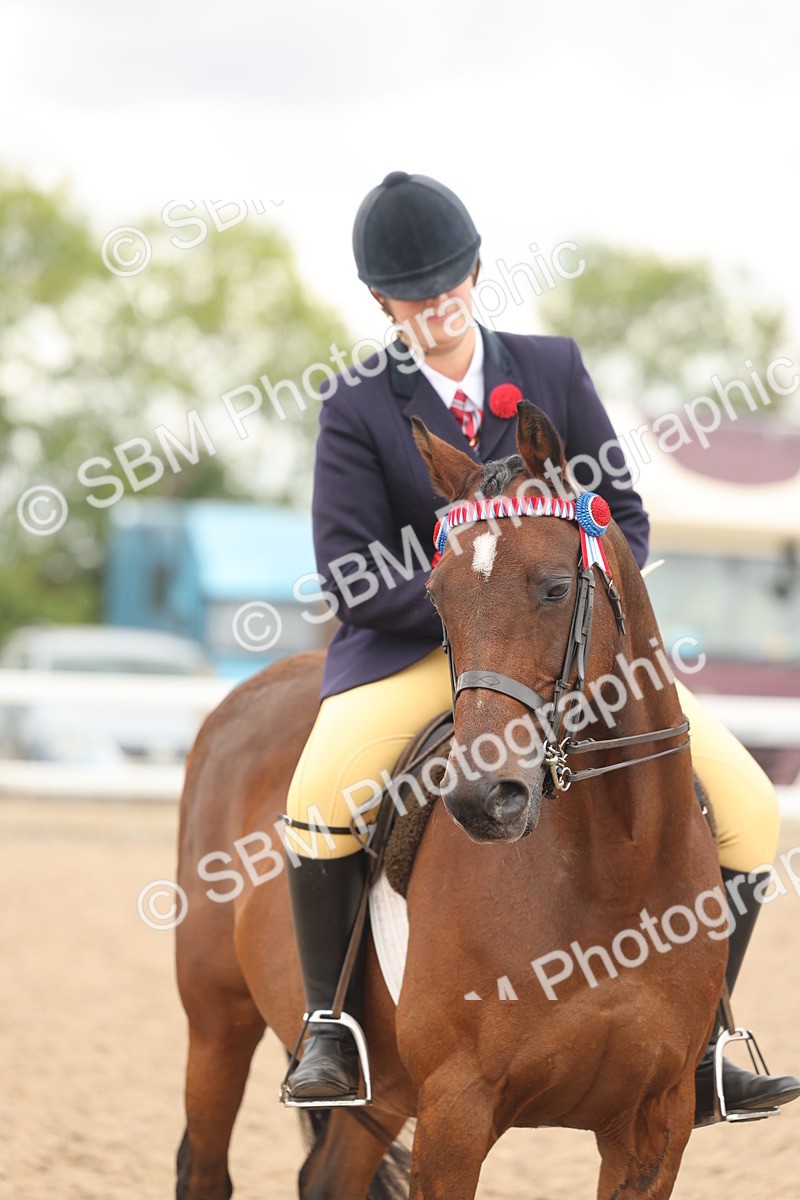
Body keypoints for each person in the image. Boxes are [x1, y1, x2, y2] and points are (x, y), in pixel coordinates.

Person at [281, 171, 800, 1125]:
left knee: (749, 808)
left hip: (566, 646)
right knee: (319, 795)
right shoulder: (356, 405)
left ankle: (710, 1041)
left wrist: (563, 604)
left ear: (475, 273)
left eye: (448, 286)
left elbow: (625, 520)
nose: (436, 309)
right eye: (412, 296)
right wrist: (470, 601)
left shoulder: (551, 368)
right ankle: (330, 1025)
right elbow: (347, 569)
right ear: (381, 303)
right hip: (420, 647)